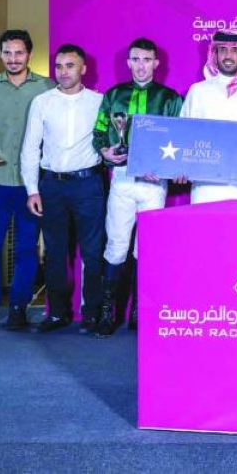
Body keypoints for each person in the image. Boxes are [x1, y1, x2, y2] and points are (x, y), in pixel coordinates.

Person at [92, 38, 183, 337]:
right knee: (116, 244)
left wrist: (167, 169)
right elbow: (100, 132)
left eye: (147, 59)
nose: (141, 65)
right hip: (121, 180)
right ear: (128, 62)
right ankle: (107, 309)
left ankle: (138, 310)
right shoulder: (114, 95)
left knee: (146, 248)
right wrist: (105, 151)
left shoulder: (170, 98)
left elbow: (180, 140)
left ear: (157, 63)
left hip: (154, 185)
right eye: (135, 59)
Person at [0, 30, 54, 332]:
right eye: (7, 53)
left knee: (26, 249)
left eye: (18, 53)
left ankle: (18, 308)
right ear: (0, 54)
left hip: (31, 185)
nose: (13, 59)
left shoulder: (46, 86)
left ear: (29, 54)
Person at [20, 44, 106, 334]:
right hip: (51, 186)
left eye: (70, 66)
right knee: (56, 253)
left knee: (93, 252)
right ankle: (57, 313)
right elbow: (30, 148)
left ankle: (91, 314)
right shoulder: (42, 102)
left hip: (88, 185)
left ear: (83, 69)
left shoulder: (99, 102)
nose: (63, 72)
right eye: (59, 66)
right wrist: (32, 189)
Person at [179, 30, 237, 203]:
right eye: (223, 50)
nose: (228, 55)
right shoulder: (198, 91)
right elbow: (183, 135)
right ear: (214, 54)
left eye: (235, 50)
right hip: (206, 186)